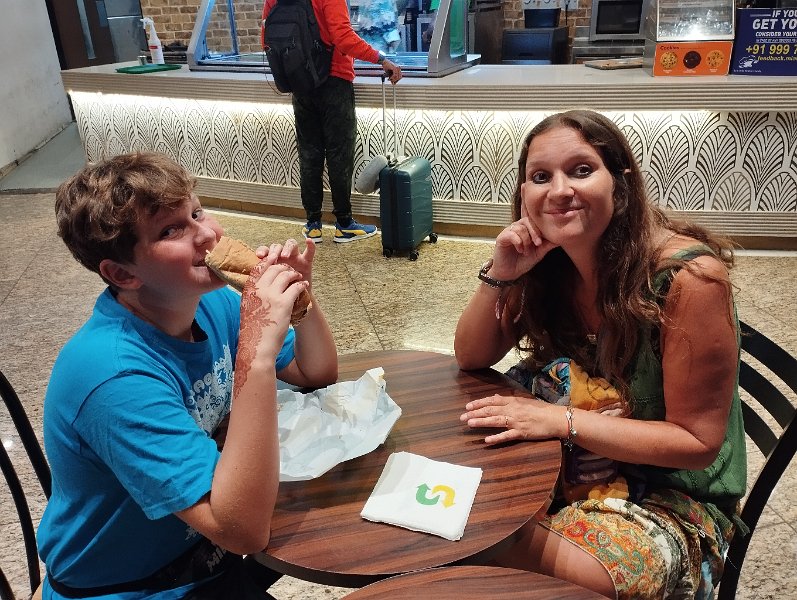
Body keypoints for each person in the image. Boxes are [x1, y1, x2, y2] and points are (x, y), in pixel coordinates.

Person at [454, 110, 747, 599]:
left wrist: (561, 420)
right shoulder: (550, 262)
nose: (559, 190)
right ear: (523, 193)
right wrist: (503, 271)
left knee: (481, 542)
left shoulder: (689, 280)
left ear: (621, 181)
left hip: (671, 497)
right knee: (458, 509)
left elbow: (697, 443)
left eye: (582, 170)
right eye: (540, 177)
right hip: (571, 463)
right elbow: (470, 355)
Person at [37, 152, 338, 599]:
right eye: (171, 230)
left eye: (196, 213)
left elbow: (316, 372)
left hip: (205, 554)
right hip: (132, 586)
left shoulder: (211, 302)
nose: (208, 234)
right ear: (122, 273)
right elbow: (243, 531)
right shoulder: (114, 377)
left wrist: (300, 300)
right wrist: (256, 354)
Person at [261, 0, 404, 244]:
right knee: (340, 153)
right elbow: (343, 38)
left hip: (301, 83)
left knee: (309, 153)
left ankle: (313, 225)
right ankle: (344, 224)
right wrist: (381, 58)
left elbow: (266, 38)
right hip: (334, 81)